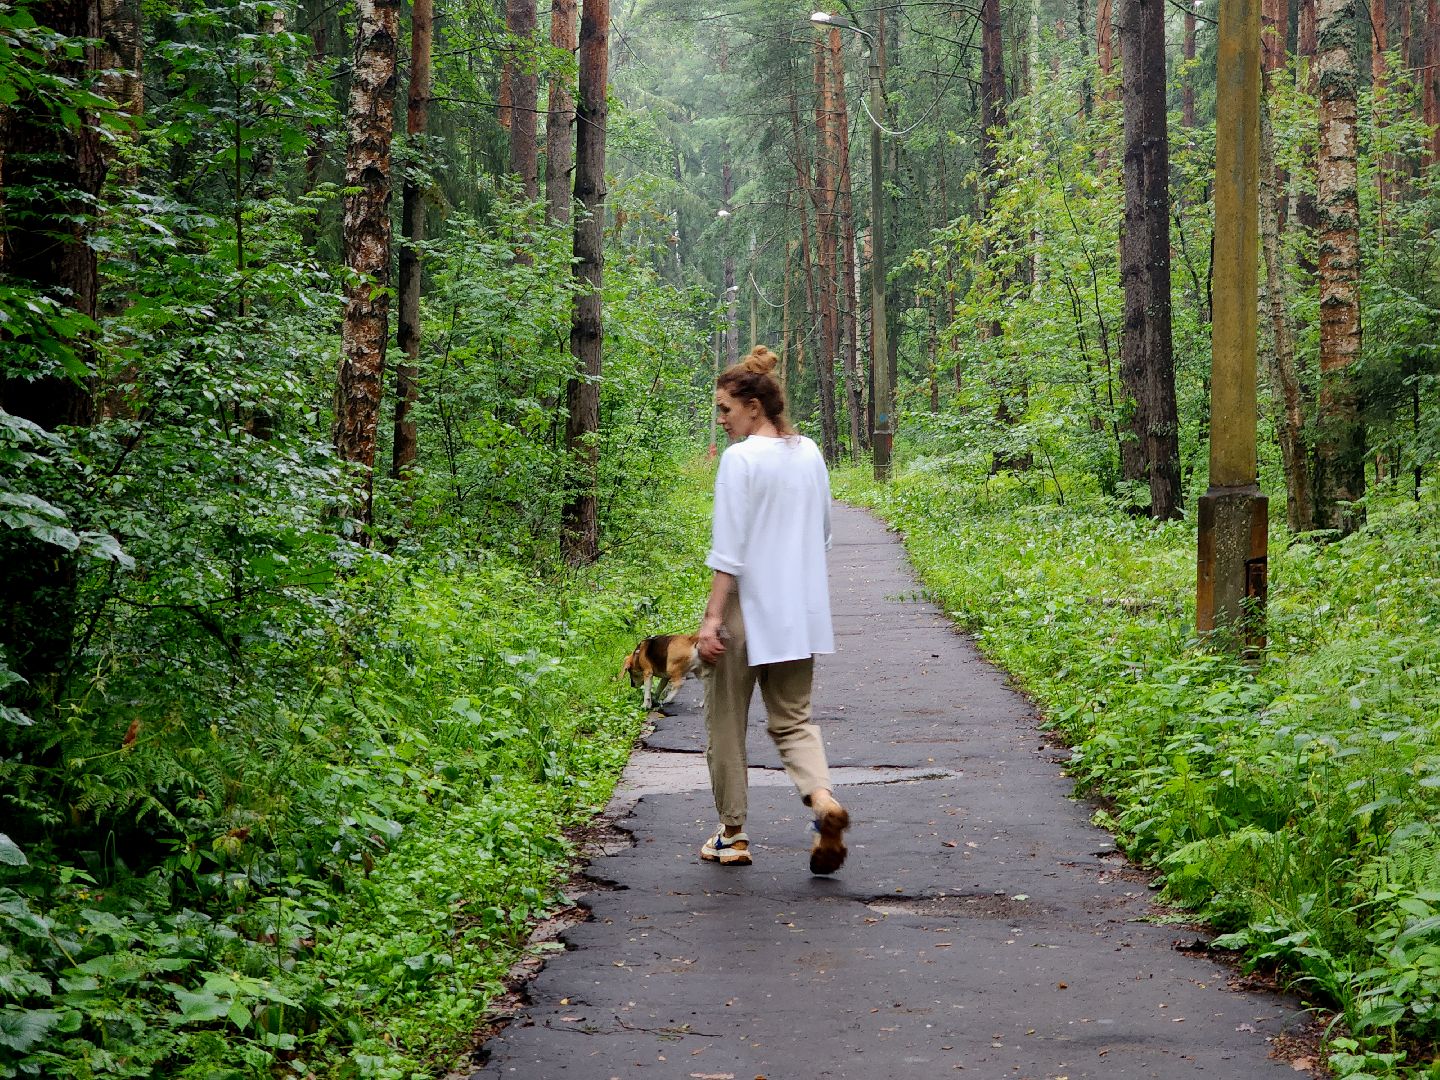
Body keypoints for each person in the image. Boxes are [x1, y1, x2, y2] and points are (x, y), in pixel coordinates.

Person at [695, 345, 850, 875]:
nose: (721, 419)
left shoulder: (740, 460)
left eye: (725, 409)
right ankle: (824, 803)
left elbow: (728, 553)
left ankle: (732, 835)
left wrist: (712, 621)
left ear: (754, 406)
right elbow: (825, 534)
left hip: (744, 610)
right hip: (799, 611)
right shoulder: (808, 452)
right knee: (793, 720)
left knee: (726, 723)